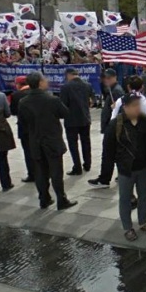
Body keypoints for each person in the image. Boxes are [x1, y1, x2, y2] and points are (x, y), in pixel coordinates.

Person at [17, 72, 75, 210]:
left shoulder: (23, 102)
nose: (47, 81)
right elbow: (65, 113)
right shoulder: (51, 99)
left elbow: (22, 122)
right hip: (52, 140)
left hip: (35, 140)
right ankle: (61, 199)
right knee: (56, 172)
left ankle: (44, 198)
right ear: (40, 83)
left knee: (40, 172)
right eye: (44, 80)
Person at [106, 94, 146, 241]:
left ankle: (142, 222)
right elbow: (108, 150)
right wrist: (107, 172)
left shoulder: (145, 121)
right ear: (125, 107)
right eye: (134, 105)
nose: (137, 108)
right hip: (125, 169)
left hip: (143, 168)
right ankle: (127, 227)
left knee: (144, 197)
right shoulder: (116, 124)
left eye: (138, 105)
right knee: (125, 199)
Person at [60, 68, 94, 175]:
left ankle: (77, 167)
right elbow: (91, 101)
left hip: (71, 119)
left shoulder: (66, 87)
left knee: (73, 144)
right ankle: (87, 164)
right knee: (86, 142)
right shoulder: (87, 85)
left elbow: (63, 104)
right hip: (85, 118)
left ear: (68, 75)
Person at [9, 76, 35, 183]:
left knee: (28, 152)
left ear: (19, 84)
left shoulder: (16, 95)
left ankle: (32, 173)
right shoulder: (37, 92)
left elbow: (13, 111)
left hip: (24, 127)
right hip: (39, 126)